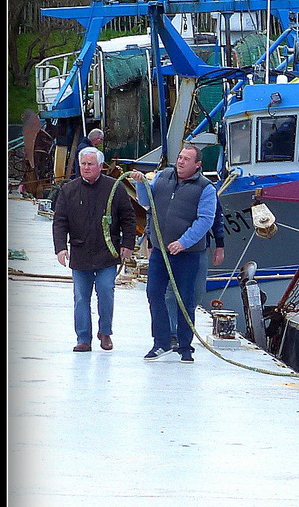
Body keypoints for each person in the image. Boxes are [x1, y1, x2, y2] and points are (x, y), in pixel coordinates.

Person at [128, 145, 217, 363]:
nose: (180, 161)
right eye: (179, 157)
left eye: (186, 159)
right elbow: (147, 202)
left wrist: (183, 242)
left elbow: (205, 220)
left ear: (197, 165)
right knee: (154, 293)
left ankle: (185, 347)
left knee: (185, 300)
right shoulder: (162, 176)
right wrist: (141, 184)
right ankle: (161, 342)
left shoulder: (206, 188)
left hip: (187, 254)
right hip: (161, 251)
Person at [51, 147, 136, 352]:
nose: (86, 168)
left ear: (100, 166)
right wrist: (61, 248)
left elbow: (128, 218)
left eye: (90, 164)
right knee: (81, 296)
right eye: (83, 164)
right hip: (80, 253)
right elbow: (59, 221)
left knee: (106, 291)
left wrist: (128, 244)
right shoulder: (69, 190)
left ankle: (105, 332)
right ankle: (83, 338)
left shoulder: (114, 188)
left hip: (107, 252)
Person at [167, 197, 226, 357]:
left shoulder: (207, 189)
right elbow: (155, 213)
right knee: (171, 293)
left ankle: (185, 334)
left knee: (196, 293)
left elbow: (216, 215)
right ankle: (173, 334)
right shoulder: (167, 184)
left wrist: (219, 245)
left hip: (198, 248)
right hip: (168, 246)